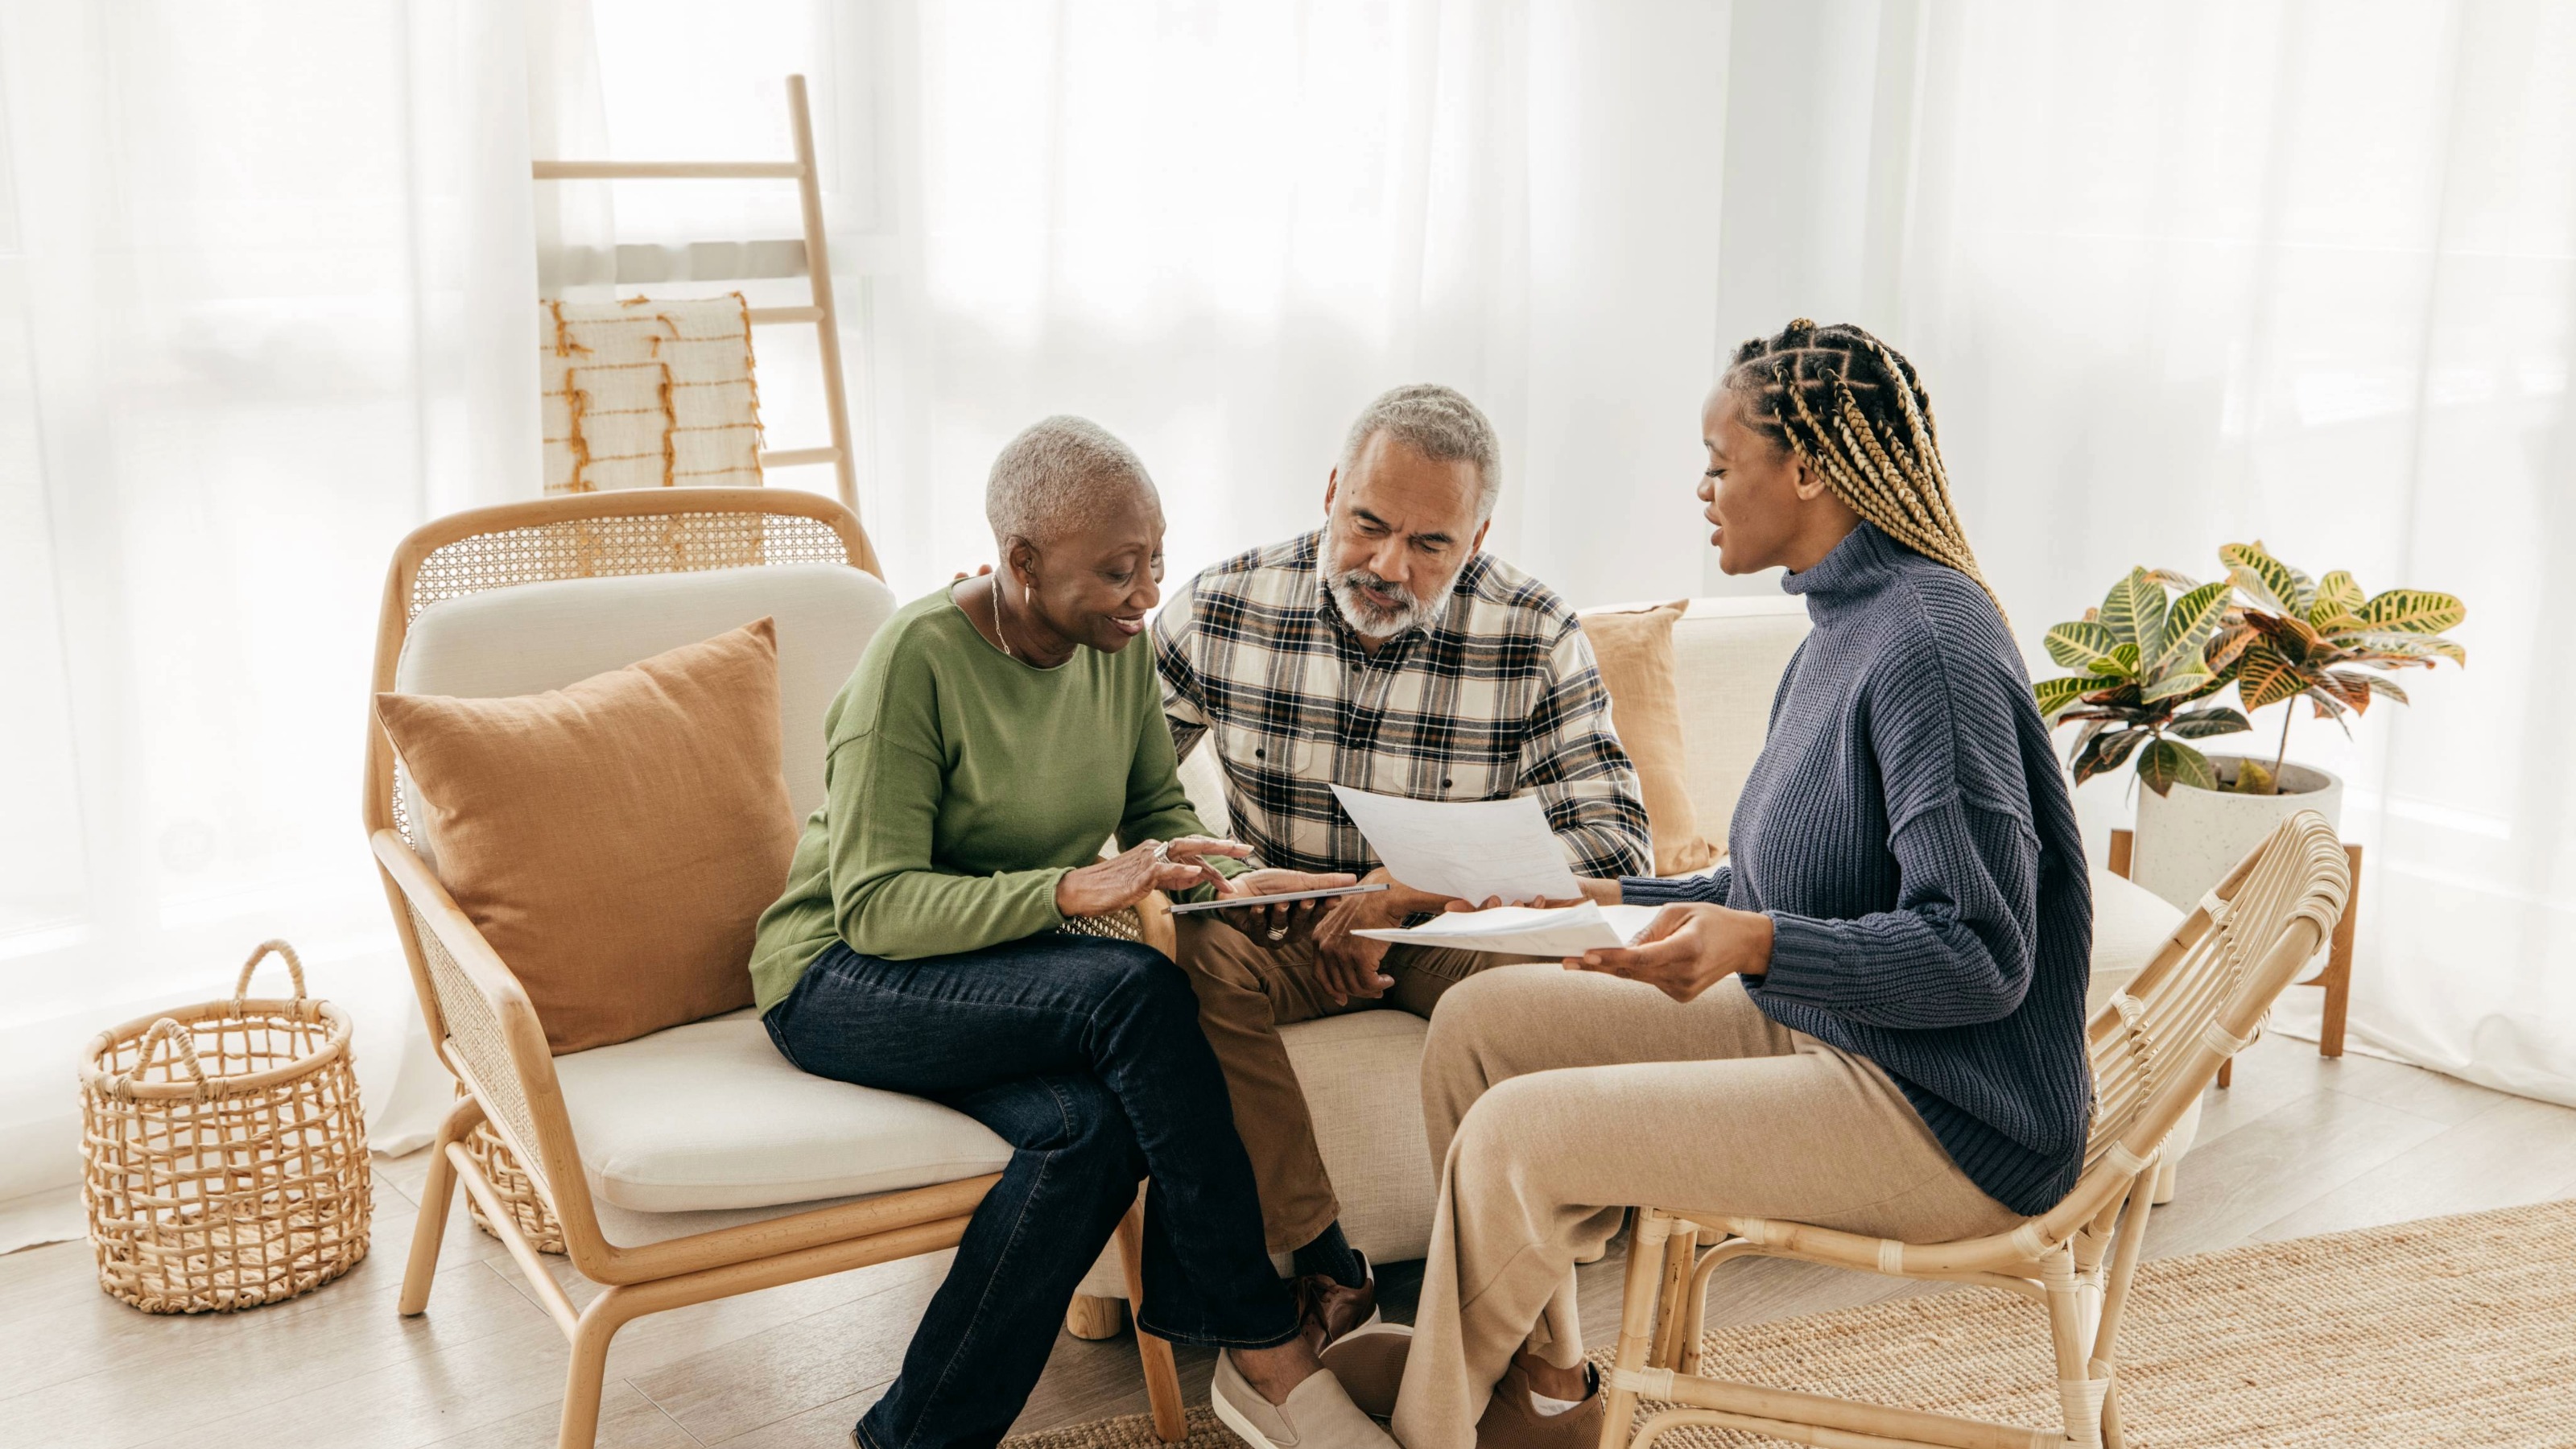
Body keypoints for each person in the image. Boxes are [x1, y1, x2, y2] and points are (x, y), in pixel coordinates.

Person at [1331, 323, 2095, 1449]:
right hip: (1838, 1032)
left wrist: (1754, 947)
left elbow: (1982, 957)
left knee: (1519, 1136)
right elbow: (1777, 877)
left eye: (1718, 461)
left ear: (1806, 470)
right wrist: (1591, 898)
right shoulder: (1843, 625)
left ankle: (1430, 1428)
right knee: (1479, 1028)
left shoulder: (1928, 647)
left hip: (1944, 1111)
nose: (1702, 489)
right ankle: (1543, 1392)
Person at [751, 417, 1401, 1449]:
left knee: (1089, 1133)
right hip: (840, 979)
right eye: (1116, 571)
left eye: (1153, 559)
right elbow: (874, 907)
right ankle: (1262, 1341)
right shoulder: (912, 665)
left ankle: (912, 1440)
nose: (1147, 594)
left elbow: (1158, 817)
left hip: (989, 980)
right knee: (1130, 989)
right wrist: (1066, 890)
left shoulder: (1114, 654)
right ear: (1019, 562)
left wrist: (1235, 872)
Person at [1151, 384, 1653, 1348]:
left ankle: (1518, 1305)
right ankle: (1324, 1264)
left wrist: (1409, 893)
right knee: (1186, 959)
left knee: (1557, 978)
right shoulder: (1221, 607)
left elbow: (1612, 847)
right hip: (1278, 923)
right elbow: (1121, 795)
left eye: (1430, 546)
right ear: (1332, 490)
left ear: (1477, 536)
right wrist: (1230, 878)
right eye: (1367, 526)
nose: (1387, 566)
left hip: (1449, 928)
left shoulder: (1534, 630)